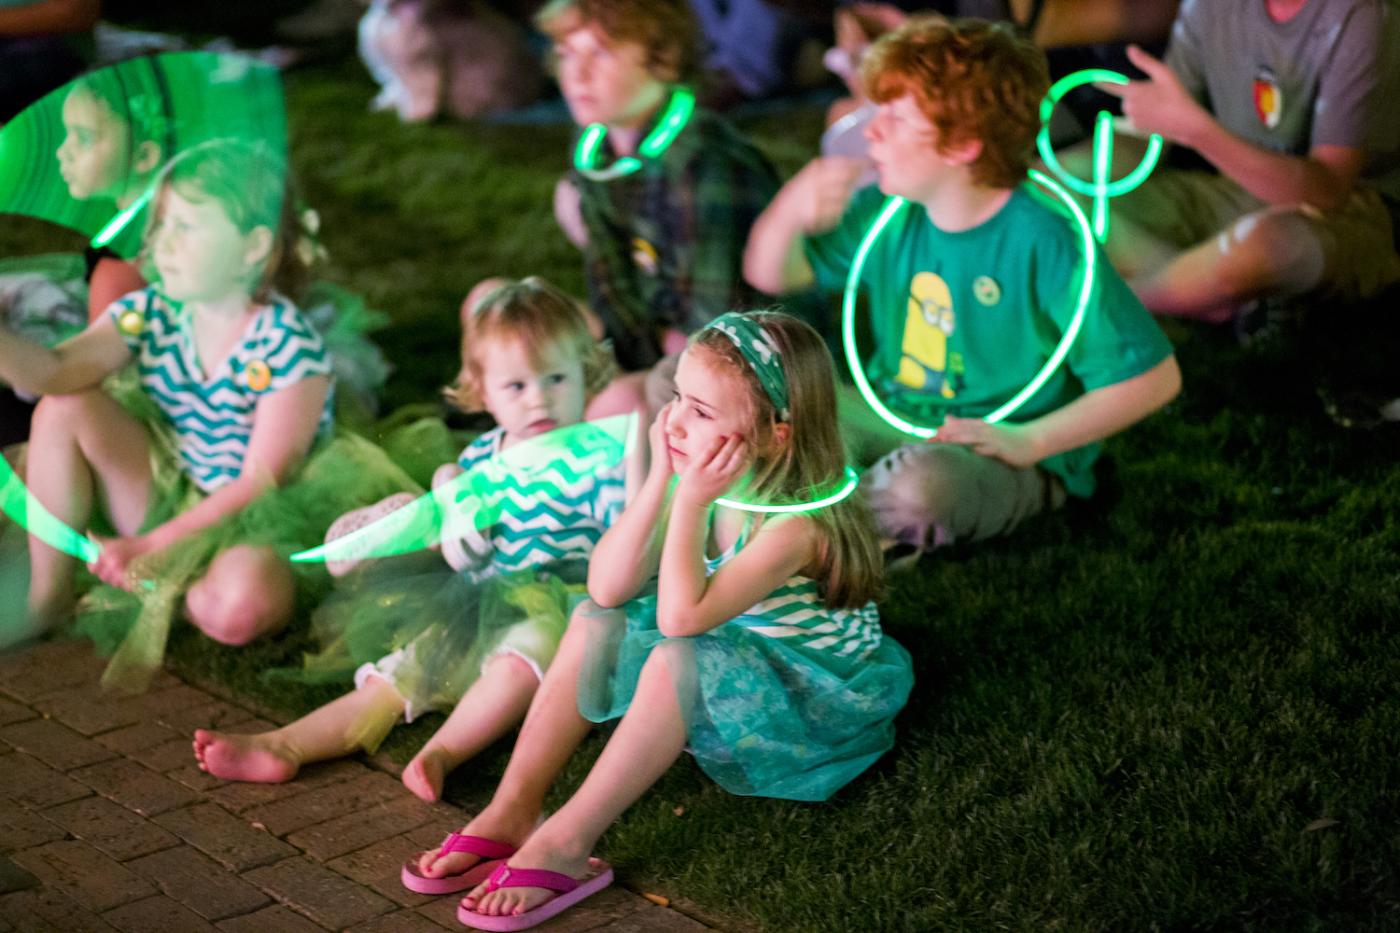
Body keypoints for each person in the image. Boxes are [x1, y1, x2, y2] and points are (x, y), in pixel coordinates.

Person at [411, 311, 913, 930]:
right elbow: (609, 585)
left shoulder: (795, 527)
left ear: (775, 435)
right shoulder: (706, 468)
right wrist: (661, 484)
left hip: (807, 695)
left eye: (701, 412)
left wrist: (692, 499)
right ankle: (512, 808)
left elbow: (681, 621)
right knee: (594, 616)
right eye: (677, 396)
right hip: (728, 643)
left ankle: (565, 845)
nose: (674, 419)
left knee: (678, 653)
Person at [191, 277, 636, 812]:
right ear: (483, 391)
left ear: (585, 374)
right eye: (516, 386)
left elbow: (630, 540)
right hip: (473, 599)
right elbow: (464, 545)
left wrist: (638, 473)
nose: (538, 398)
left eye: (556, 378)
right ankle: (286, 743)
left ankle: (443, 752)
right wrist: (455, 513)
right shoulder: (482, 458)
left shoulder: (598, 458)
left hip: (560, 605)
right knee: (403, 670)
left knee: (522, 660)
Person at [745, 18, 1181, 556]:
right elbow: (771, 273)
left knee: (924, 488)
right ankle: (831, 526)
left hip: (994, 448)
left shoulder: (1046, 242)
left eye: (896, 118)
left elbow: (1154, 378)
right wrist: (793, 204)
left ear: (964, 145)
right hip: (890, 416)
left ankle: (808, 527)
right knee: (745, 386)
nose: (872, 131)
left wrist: (1031, 441)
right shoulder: (888, 212)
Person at [0, 139, 400, 666]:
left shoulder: (287, 346)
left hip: (248, 513)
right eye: (160, 224)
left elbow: (262, 479)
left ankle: (169, 591)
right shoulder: (151, 311)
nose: (161, 244)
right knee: (63, 404)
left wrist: (155, 546)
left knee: (244, 605)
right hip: (162, 486)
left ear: (252, 247)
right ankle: (48, 598)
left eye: (185, 228)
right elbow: (56, 371)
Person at [470, 0, 781, 418]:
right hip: (648, 336)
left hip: (736, 366)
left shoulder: (704, 164)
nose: (577, 75)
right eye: (567, 55)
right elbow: (609, 277)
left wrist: (614, 363)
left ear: (664, 61)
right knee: (490, 304)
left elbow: (714, 332)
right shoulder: (598, 144)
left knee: (614, 401)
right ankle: (504, 434)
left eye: (599, 53)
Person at [1091, 0, 1400, 326]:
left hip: (1349, 213)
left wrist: (1198, 133)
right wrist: (1065, 173)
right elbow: (1155, 131)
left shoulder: (1360, 16)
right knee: (1054, 194)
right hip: (1233, 194)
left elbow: (1328, 191)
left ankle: (1127, 298)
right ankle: (1206, 294)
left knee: (1268, 248)